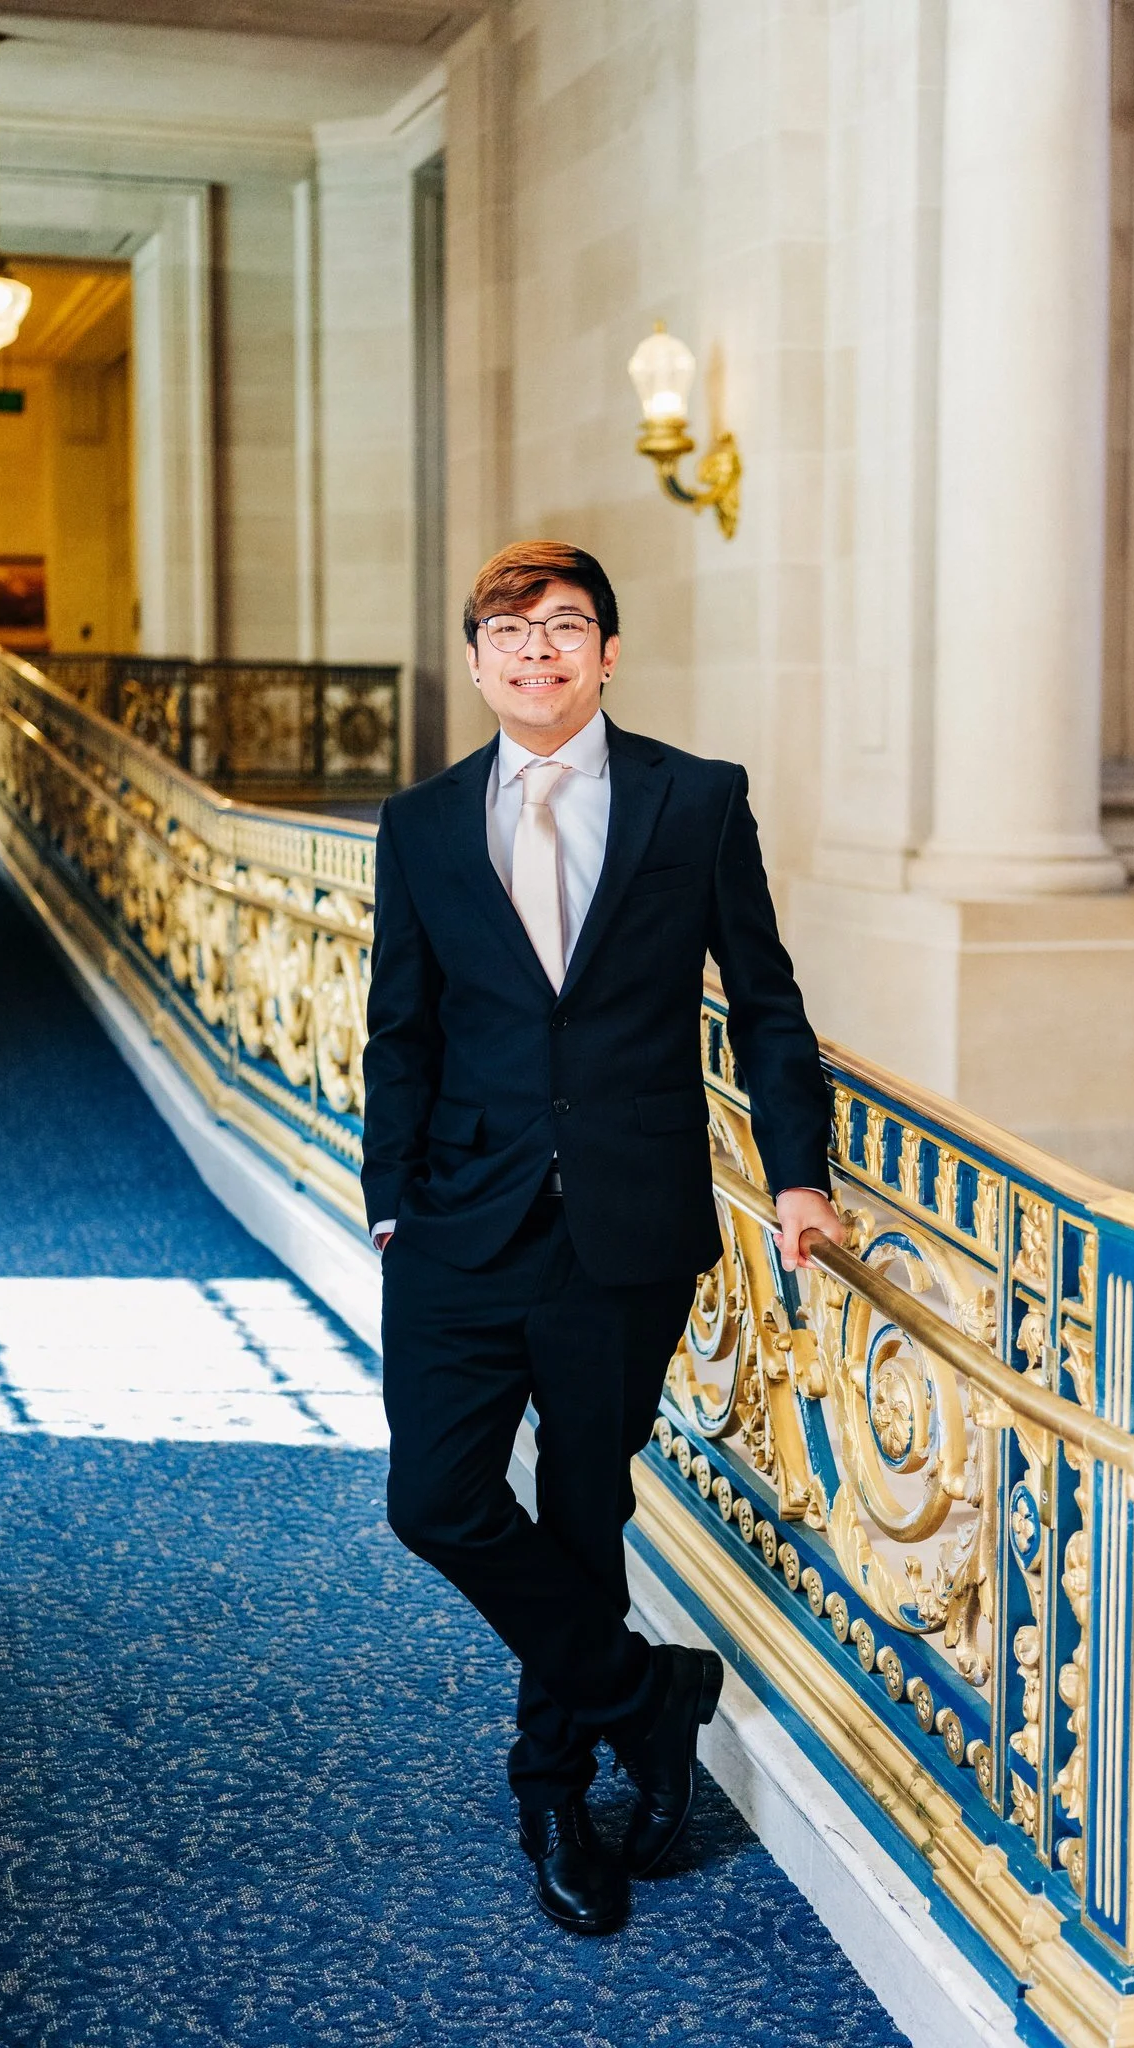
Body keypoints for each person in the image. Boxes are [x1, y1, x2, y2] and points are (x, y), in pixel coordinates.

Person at [362, 540, 843, 1935]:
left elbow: (764, 998)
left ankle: (554, 1790)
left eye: (564, 627)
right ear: (475, 661)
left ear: (607, 654)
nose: (536, 651)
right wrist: (391, 1195)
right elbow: (404, 1024)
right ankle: (651, 1691)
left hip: (625, 1230)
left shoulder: (696, 802)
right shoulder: (424, 824)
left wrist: (797, 1171)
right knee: (434, 1500)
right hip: (457, 1219)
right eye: (508, 632)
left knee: (585, 1510)